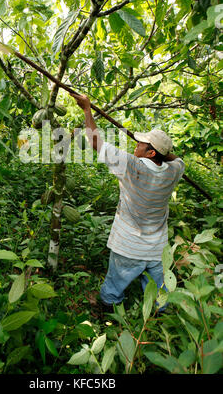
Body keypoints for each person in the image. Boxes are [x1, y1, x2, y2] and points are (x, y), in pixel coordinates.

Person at [70, 92, 185, 312]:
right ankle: (161, 315)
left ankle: (109, 306)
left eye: (141, 144)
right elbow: (175, 159)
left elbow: (96, 142)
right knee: (160, 290)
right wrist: (161, 151)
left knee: (114, 283)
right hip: (156, 248)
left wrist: (87, 109)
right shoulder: (173, 172)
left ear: (150, 152)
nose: (136, 145)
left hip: (128, 245)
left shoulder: (132, 166)